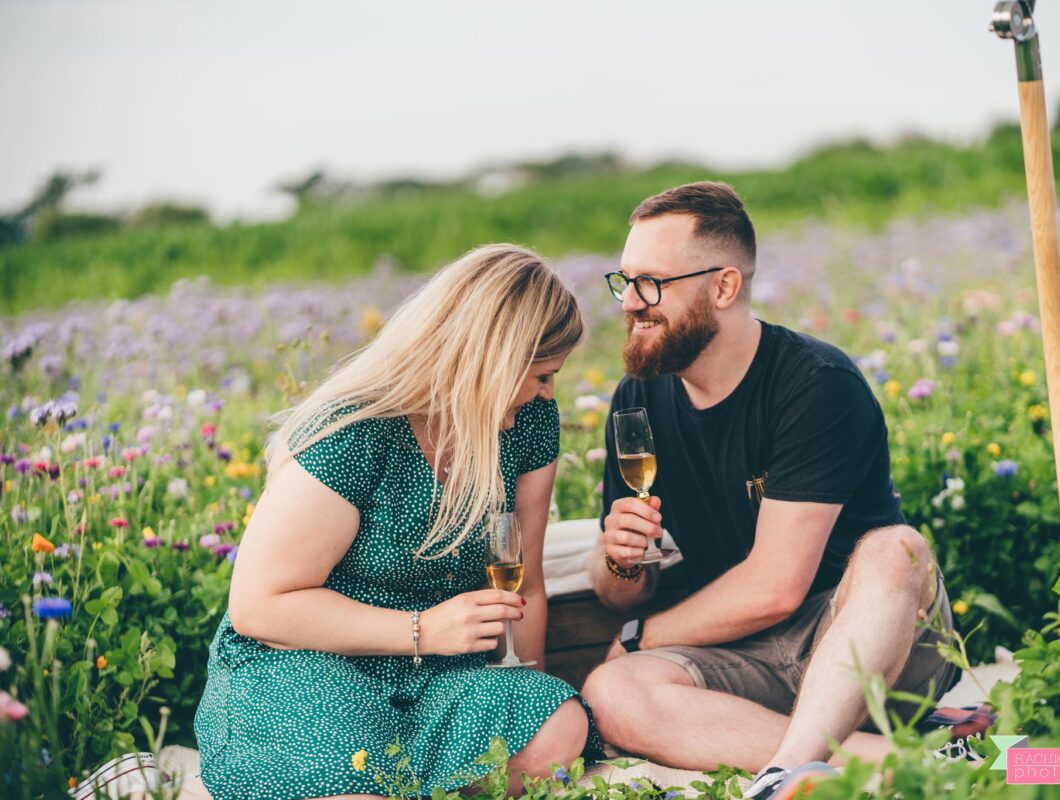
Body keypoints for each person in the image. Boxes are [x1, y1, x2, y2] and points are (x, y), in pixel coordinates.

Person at [581, 182, 959, 799]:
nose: (629, 302)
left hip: (862, 635)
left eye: (651, 283)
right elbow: (622, 592)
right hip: (747, 657)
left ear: (724, 287)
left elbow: (776, 588)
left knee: (898, 548)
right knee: (611, 691)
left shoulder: (816, 384)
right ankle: (903, 759)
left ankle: (783, 775)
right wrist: (619, 559)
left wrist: (645, 638)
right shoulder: (637, 402)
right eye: (623, 281)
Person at [194, 244, 602, 800]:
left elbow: (524, 582)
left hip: (437, 676)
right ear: (493, 362)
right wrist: (423, 631)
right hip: (307, 666)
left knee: (558, 723)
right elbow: (258, 605)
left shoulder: (527, 420)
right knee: (351, 781)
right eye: (542, 375)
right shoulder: (357, 428)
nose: (548, 393)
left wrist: (520, 681)